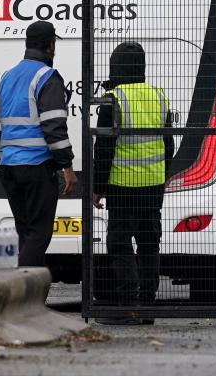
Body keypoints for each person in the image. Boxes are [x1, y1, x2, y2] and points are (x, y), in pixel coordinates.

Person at [92, 42, 173, 325]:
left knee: (119, 243)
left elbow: (103, 147)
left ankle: (128, 305)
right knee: (149, 245)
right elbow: (168, 144)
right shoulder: (158, 96)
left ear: (115, 66)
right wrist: (161, 176)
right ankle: (147, 307)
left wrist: (97, 187)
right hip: (153, 185)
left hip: (123, 185)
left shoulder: (113, 99)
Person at [0, 20, 77, 267]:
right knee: (39, 235)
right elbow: (54, 127)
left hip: (9, 166)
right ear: (50, 46)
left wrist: (3, 159)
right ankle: (21, 293)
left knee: (25, 232)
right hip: (37, 166)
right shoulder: (47, 77)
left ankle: (29, 296)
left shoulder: (7, 77)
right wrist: (68, 167)